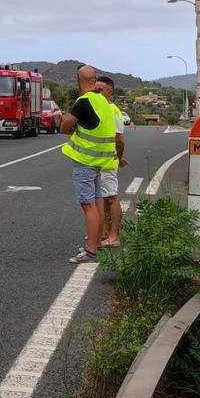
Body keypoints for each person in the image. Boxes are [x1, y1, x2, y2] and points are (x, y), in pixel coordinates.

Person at [60, 64, 118, 263]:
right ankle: (98, 243)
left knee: (88, 205)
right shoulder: (101, 100)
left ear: (77, 81)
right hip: (100, 161)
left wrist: (67, 120)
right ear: (94, 81)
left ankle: (91, 250)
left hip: (85, 161)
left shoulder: (83, 101)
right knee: (96, 202)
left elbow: (64, 127)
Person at [95, 76, 128, 247]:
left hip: (108, 161)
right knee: (105, 197)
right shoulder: (101, 108)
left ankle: (114, 236)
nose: (97, 92)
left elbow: (119, 140)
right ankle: (106, 232)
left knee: (111, 198)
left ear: (110, 91)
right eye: (95, 89)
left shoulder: (112, 111)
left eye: (100, 90)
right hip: (99, 160)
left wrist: (119, 157)